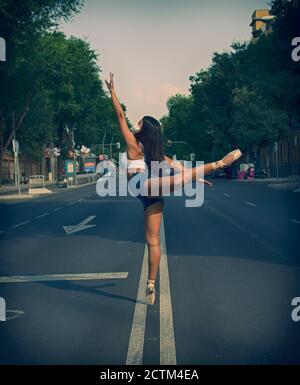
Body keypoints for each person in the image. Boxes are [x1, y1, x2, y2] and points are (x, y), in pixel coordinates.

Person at [105, 72, 242, 305]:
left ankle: (218, 163)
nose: (134, 124)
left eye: (138, 123)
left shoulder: (133, 144)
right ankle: (150, 283)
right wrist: (194, 179)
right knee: (153, 241)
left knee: (155, 238)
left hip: (141, 186)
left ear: (143, 129)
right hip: (151, 192)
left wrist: (113, 92)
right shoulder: (152, 150)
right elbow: (175, 166)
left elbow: (120, 115)